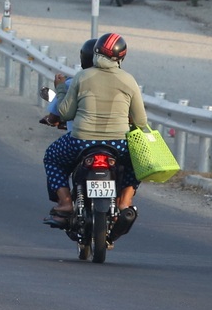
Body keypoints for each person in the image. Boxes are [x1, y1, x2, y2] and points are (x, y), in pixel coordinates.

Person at [45, 32, 148, 237]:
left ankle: (65, 202)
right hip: (118, 144)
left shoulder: (82, 77)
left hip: (81, 141)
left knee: (52, 157)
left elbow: (65, 113)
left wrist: (60, 89)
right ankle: (125, 201)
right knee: (138, 162)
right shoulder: (129, 80)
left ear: (96, 53)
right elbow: (141, 121)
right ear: (121, 57)